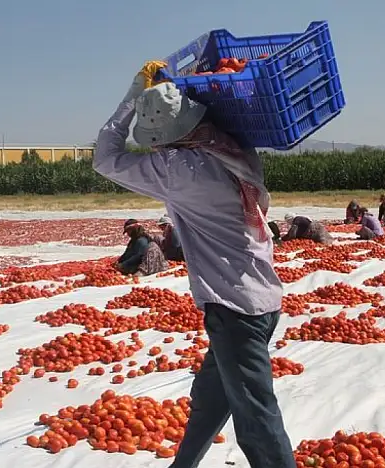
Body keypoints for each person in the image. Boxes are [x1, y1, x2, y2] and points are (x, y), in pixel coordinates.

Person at [92, 63, 296, 468]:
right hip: (258, 301)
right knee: (210, 400)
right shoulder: (233, 148)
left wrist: (133, 99)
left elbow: (105, 157)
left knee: (257, 422)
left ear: (166, 140)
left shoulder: (181, 171)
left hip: (235, 310)